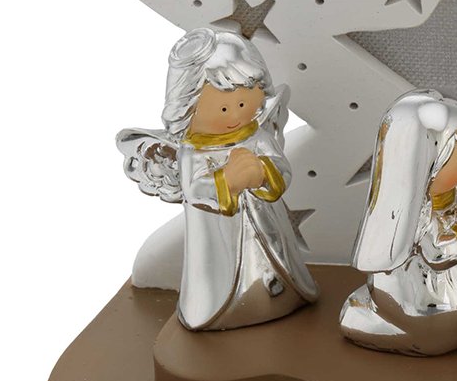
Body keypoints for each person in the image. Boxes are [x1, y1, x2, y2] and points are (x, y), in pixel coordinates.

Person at [118, 26, 318, 330]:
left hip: (267, 228)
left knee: (277, 265)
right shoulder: (192, 152)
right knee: (220, 279)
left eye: (243, 104)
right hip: (217, 238)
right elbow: (195, 189)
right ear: (188, 109)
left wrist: (263, 172)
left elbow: (283, 170)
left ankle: (284, 294)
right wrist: (227, 181)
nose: (235, 116)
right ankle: (215, 309)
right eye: (224, 108)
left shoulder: (257, 137)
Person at [340, 89, 457, 355]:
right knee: (439, 328)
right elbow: (437, 253)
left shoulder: (454, 199)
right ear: (424, 164)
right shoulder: (415, 216)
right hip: (426, 306)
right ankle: (379, 319)